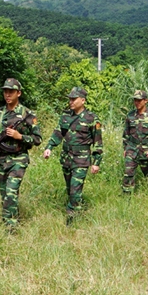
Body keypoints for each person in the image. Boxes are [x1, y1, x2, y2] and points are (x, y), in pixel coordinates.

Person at [43, 87, 102, 225]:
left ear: (83, 100)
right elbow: (58, 133)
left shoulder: (92, 118)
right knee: (70, 189)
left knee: (75, 190)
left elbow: (98, 142)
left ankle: (71, 221)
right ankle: (78, 208)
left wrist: (96, 162)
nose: (71, 101)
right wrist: (49, 147)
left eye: (74, 99)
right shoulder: (65, 116)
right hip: (66, 158)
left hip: (81, 160)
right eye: (70, 99)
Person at [0, 78, 41, 229]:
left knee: (11, 193)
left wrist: (20, 137)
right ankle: (11, 218)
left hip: (18, 159)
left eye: (11, 91)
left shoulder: (28, 114)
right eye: (5, 91)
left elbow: (37, 139)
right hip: (1, 160)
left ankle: (10, 227)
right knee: (5, 195)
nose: (7, 94)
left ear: (19, 93)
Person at [122, 90, 148, 194]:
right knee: (128, 172)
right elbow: (126, 133)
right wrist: (125, 148)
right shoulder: (130, 115)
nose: (137, 102)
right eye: (135, 100)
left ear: (145, 101)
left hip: (146, 150)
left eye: (139, 100)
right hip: (132, 149)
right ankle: (127, 195)